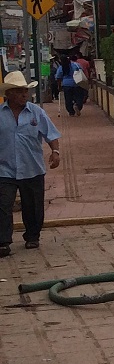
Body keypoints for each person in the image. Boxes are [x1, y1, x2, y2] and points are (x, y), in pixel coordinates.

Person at [0, 69, 62, 255]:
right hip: (5, 169)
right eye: (19, 91)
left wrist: (55, 151)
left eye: (25, 90)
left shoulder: (36, 112)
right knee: (3, 206)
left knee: (33, 205)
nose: (24, 94)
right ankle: (3, 241)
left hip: (32, 168)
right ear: (9, 94)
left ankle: (32, 236)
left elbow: (50, 133)